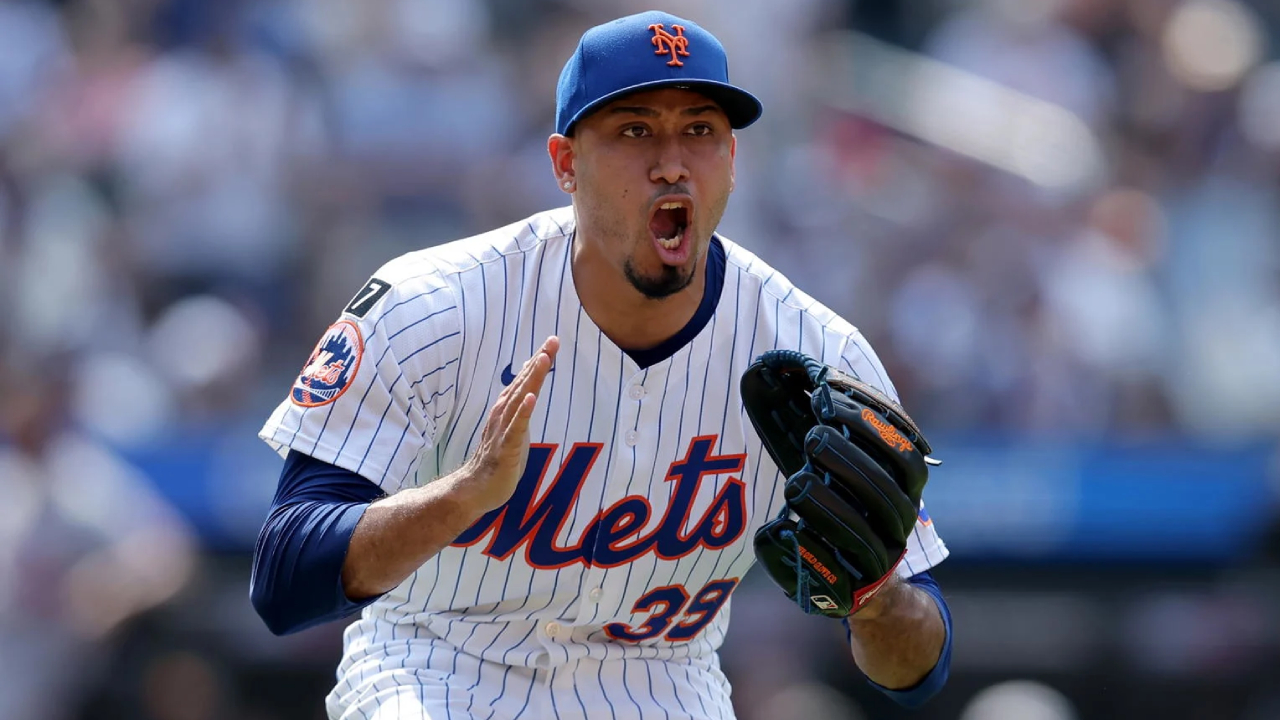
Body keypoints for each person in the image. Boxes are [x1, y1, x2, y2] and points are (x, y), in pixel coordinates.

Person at [250, 11, 952, 719]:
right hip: (439, 665)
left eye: (700, 131)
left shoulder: (818, 355)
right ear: (565, 163)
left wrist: (876, 597)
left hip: (665, 681)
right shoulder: (434, 306)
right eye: (635, 131)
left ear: (732, 162)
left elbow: (919, 670)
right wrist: (462, 496)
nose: (672, 162)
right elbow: (284, 577)